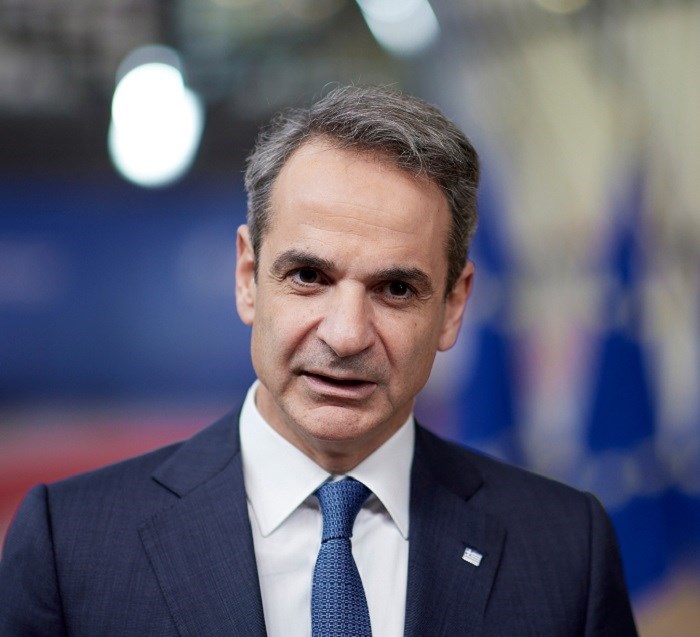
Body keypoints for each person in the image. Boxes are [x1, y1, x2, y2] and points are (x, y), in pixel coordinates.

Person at [0, 85, 637, 636]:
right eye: (308, 276)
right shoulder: (70, 545)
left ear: (452, 306)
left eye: (396, 289)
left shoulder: (566, 551)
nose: (347, 335)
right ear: (248, 278)